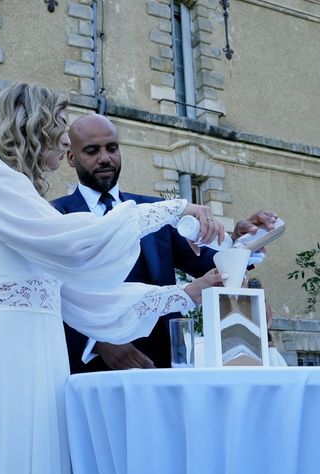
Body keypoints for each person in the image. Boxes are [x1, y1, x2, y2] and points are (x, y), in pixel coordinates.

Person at [0, 83, 224, 474]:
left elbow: (80, 295)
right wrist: (176, 207)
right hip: (5, 348)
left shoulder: (22, 194)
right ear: (31, 126)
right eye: (58, 124)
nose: (63, 135)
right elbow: (80, 244)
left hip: (38, 348)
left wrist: (183, 294)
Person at [53, 113, 277, 372]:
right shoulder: (55, 215)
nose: (105, 158)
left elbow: (207, 265)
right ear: (71, 157)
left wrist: (241, 241)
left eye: (112, 148)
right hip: (88, 370)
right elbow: (52, 295)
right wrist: (98, 342)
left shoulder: (157, 210)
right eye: (92, 151)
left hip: (160, 365)